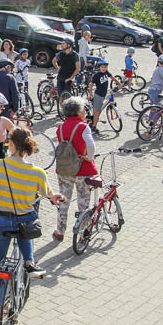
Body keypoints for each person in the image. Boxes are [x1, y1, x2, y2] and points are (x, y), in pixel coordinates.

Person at [0, 126, 65, 312]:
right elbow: (49, 194)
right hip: (24, 221)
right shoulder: (37, 172)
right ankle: (29, 263)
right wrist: (55, 197)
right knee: (27, 223)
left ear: (10, 143)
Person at [53, 96, 97, 241]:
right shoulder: (83, 127)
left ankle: (60, 231)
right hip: (82, 169)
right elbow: (91, 145)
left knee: (63, 200)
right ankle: (82, 234)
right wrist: (89, 157)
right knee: (83, 202)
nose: (85, 111)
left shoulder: (60, 127)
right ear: (78, 111)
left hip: (65, 168)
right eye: (83, 109)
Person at [88, 60, 115, 133]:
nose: (103, 68)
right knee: (97, 112)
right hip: (98, 95)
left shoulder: (107, 73)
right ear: (99, 67)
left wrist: (119, 84)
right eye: (102, 67)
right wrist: (90, 94)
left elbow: (113, 78)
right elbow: (91, 85)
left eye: (105, 67)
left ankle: (92, 123)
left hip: (103, 94)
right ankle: (94, 127)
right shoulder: (96, 75)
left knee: (97, 111)